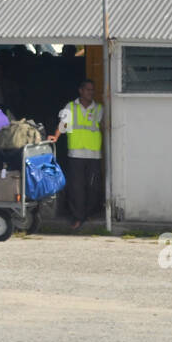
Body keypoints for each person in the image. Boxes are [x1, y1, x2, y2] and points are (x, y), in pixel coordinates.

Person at [50, 78, 103, 229]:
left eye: (92, 90)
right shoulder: (71, 107)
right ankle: (78, 217)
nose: (90, 93)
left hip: (94, 154)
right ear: (81, 91)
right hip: (76, 153)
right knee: (76, 187)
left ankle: (89, 214)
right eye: (87, 90)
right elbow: (63, 124)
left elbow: (105, 126)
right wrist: (56, 136)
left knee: (93, 187)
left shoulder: (99, 108)